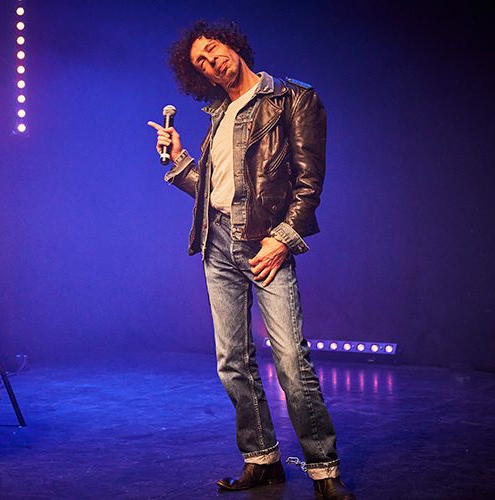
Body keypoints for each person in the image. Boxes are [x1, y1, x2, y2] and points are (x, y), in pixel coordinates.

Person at [147, 20, 355, 500]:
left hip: (265, 245)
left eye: (212, 48)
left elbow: (308, 184)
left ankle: (323, 469)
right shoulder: (219, 114)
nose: (211, 61)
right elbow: (217, 193)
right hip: (216, 243)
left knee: (290, 360)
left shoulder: (292, 98)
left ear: (232, 44)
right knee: (232, 362)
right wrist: (180, 160)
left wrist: (283, 239)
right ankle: (262, 460)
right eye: (200, 62)